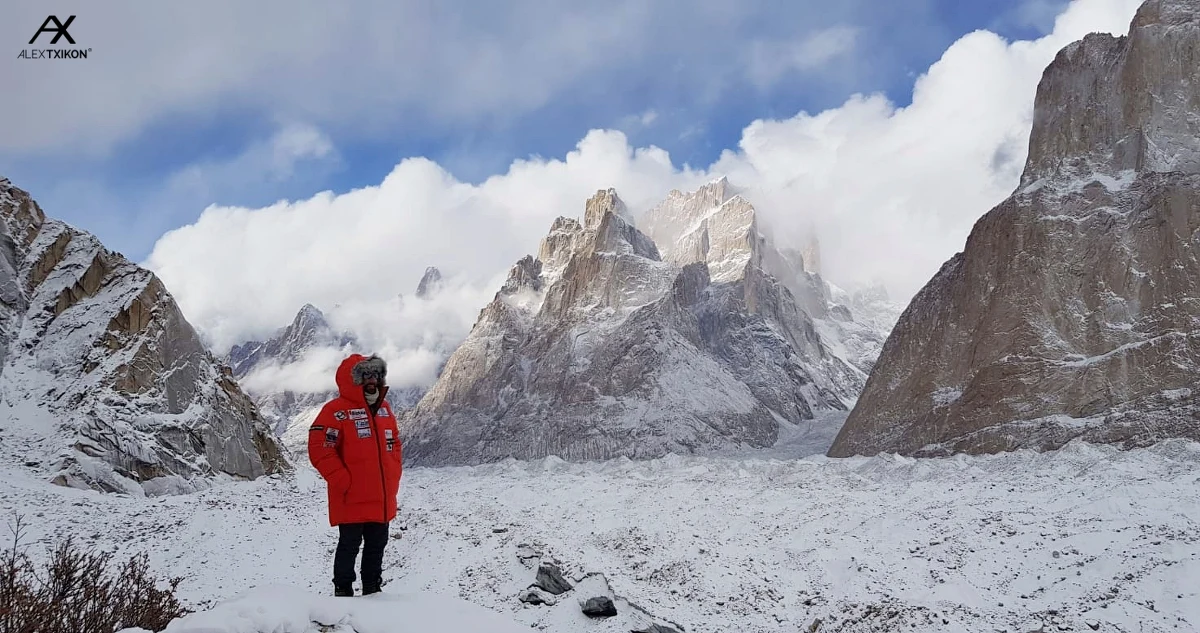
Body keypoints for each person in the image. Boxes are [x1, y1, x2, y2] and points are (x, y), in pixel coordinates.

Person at [307, 353, 403, 597]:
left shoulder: (384, 409)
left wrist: (394, 474)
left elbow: (394, 444)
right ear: (354, 379)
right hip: (351, 496)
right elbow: (320, 449)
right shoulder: (336, 411)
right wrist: (343, 481)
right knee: (349, 545)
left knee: (377, 545)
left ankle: (372, 590)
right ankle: (343, 592)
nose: (371, 380)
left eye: (375, 374)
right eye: (365, 375)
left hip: (381, 496)